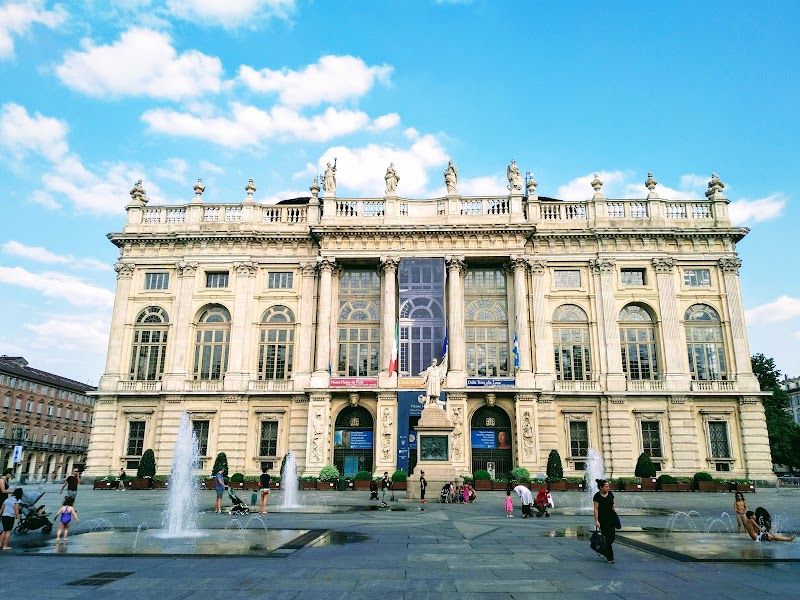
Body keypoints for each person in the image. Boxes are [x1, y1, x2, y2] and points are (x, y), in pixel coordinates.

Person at [593, 479, 618, 563]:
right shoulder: (597, 496)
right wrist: (597, 521)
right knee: (606, 537)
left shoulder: (610, 494)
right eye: (606, 487)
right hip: (603, 519)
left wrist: (614, 507)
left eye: (608, 486)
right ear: (601, 487)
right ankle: (610, 557)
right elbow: (596, 509)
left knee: (612, 538)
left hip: (611, 518)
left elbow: (613, 502)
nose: (608, 488)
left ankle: (604, 550)